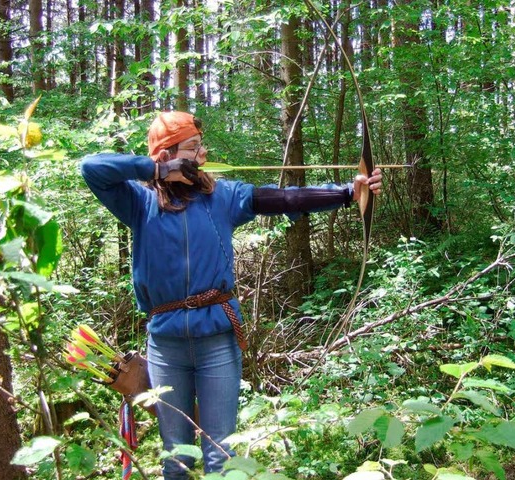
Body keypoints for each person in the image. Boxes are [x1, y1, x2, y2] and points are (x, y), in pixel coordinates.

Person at [80, 111, 383, 479]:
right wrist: (154, 170)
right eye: (193, 148)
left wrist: (349, 192)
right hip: (166, 344)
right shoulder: (138, 202)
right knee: (176, 456)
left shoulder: (221, 196)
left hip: (217, 342)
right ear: (167, 154)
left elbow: (283, 198)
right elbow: (91, 167)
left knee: (221, 451)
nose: (203, 155)